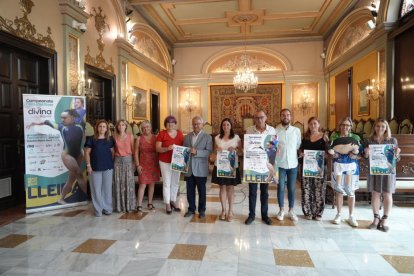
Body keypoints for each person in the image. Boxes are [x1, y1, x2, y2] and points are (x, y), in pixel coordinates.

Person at [27, 109, 87, 204]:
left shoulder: (80, 125)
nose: (62, 119)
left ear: (72, 117)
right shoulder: (60, 126)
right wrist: (34, 123)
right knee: (79, 174)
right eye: (61, 118)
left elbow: (85, 135)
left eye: (65, 117)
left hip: (79, 154)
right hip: (67, 155)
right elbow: (47, 122)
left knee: (71, 179)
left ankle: (61, 198)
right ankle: (88, 198)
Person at [364, 118, 400, 232]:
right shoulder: (369, 140)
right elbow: (365, 157)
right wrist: (365, 153)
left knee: (387, 194)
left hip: (387, 171)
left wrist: (397, 154)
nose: (380, 128)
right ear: (374, 127)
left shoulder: (392, 141)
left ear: (386, 128)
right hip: (374, 171)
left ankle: (384, 219)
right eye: (378, 126)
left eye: (383, 126)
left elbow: (397, 159)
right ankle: (376, 218)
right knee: (375, 194)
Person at [329, 117, 361, 227]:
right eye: (343, 125)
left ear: (351, 127)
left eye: (348, 125)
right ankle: (338, 214)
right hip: (338, 166)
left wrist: (355, 154)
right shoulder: (334, 136)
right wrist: (334, 154)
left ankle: (351, 216)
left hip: (351, 167)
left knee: (351, 191)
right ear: (340, 126)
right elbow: (330, 150)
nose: (345, 127)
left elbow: (360, 153)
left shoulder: (356, 137)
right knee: (339, 191)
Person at [245, 110, 275, 225]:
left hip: (266, 166)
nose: (259, 120)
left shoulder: (272, 130)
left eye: (261, 117)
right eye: (257, 117)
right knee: (252, 191)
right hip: (253, 165)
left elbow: (273, 148)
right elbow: (247, 147)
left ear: (266, 118)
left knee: (265, 192)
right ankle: (251, 215)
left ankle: (264, 215)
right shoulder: (249, 130)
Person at [211, 118, 242, 222]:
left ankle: (230, 211)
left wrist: (235, 150)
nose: (226, 127)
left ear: (231, 126)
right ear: (221, 126)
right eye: (224, 125)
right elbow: (214, 153)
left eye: (228, 125)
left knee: (230, 189)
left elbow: (241, 152)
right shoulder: (217, 138)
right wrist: (216, 151)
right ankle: (223, 210)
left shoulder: (236, 137)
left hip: (232, 167)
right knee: (222, 188)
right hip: (220, 166)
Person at [183, 116, 213, 218]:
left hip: (201, 168)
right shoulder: (187, 137)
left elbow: (209, 152)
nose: (196, 126)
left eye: (198, 124)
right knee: (189, 191)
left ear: (202, 125)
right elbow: (184, 152)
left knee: (202, 191)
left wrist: (197, 152)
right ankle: (191, 209)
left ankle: (202, 210)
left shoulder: (208, 137)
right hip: (189, 169)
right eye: (194, 124)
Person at [299, 117, 328, 220]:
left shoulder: (324, 137)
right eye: (311, 124)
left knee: (319, 190)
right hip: (306, 167)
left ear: (319, 125)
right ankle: (308, 212)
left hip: (320, 168)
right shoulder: (305, 137)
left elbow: (329, 152)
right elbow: (300, 150)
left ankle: (318, 212)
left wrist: (325, 155)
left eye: (315, 123)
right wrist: (301, 154)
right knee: (306, 189)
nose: (313, 126)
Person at [275, 108, 301, 222]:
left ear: (291, 117)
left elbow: (298, 145)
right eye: (283, 115)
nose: (286, 117)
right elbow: (273, 147)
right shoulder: (275, 131)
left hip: (293, 164)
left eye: (288, 115)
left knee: (291, 188)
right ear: (280, 117)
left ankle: (291, 210)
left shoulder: (296, 131)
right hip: (280, 164)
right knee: (280, 187)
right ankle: (281, 210)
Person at [84, 120, 114, 217]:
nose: (102, 128)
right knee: (96, 189)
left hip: (108, 167)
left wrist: (109, 162)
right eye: (100, 126)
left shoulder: (110, 140)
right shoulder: (92, 139)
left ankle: (107, 208)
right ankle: (98, 210)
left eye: (104, 126)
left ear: (106, 129)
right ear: (97, 128)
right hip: (94, 168)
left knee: (107, 189)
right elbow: (87, 153)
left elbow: (112, 153)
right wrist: (88, 166)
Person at [156, 115, 184, 214]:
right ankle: (167, 203)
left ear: (175, 124)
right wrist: (167, 148)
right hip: (165, 161)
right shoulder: (162, 134)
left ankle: (173, 200)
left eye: (172, 122)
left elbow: (184, 148)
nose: (170, 124)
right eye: (168, 122)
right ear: (165, 124)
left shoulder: (180, 134)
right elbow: (157, 148)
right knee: (167, 183)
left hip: (177, 162)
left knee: (175, 182)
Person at [134, 120, 160, 212]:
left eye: (147, 127)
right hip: (143, 164)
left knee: (152, 184)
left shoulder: (156, 138)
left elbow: (159, 150)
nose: (146, 129)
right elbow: (136, 153)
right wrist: (137, 165)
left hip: (154, 164)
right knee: (142, 184)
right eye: (143, 128)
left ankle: (150, 203)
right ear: (141, 129)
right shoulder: (139, 139)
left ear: (151, 127)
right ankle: (139, 205)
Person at [113, 119, 136, 213]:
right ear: (117, 127)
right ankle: (119, 206)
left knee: (129, 183)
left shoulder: (130, 136)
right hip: (117, 162)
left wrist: (134, 162)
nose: (121, 126)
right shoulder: (114, 137)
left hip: (128, 161)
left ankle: (129, 205)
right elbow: (112, 151)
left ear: (126, 126)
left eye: (123, 125)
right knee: (118, 184)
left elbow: (134, 150)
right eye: (119, 125)